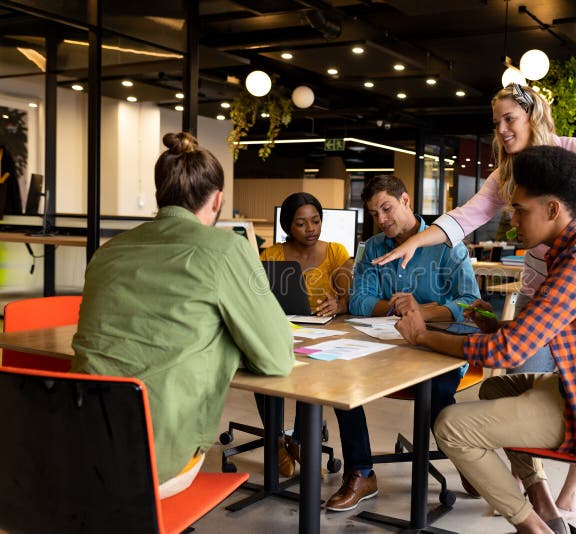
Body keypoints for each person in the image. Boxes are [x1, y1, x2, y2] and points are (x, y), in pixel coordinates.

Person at [375, 82, 576, 512]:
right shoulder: (509, 173)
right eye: (497, 123)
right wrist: (416, 241)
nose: (502, 130)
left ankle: (550, 497)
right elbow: (465, 217)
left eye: (509, 118)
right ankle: (535, 489)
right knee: (505, 385)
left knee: (462, 417)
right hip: (551, 287)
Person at [72, 132, 295, 499]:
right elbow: (277, 357)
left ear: (161, 195)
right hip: (155, 459)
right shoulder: (227, 249)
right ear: (218, 199)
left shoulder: (108, 251)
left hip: (76, 445)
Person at [325, 174, 482, 512]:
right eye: (374, 213)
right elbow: (359, 301)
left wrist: (422, 310)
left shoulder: (446, 243)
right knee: (340, 381)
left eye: (387, 208)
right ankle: (361, 471)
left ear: (407, 201)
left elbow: (471, 303)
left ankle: (469, 463)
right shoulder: (373, 248)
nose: (382, 220)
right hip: (385, 347)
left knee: (438, 389)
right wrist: (398, 307)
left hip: (440, 347)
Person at [258, 191, 353, 477]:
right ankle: (275, 440)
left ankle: (298, 441)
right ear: (288, 226)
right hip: (283, 330)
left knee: (311, 378)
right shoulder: (272, 255)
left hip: (325, 333)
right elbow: (258, 297)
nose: (311, 228)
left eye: (316, 221)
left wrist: (339, 303)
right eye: (301, 223)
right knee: (262, 370)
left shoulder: (336, 251)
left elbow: (351, 296)